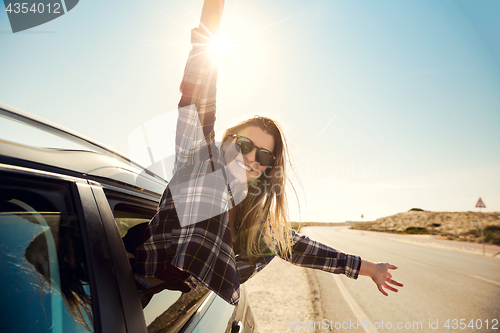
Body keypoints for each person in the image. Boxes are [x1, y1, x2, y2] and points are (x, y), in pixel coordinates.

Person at [133, 0, 403, 305]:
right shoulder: (199, 166)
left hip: (179, 307)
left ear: (267, 168)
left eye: (263, 156)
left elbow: (299, 248)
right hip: (132, 299)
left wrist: (370, 269)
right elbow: (198, 91)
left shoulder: (257, 224)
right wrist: (214, 10)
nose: (250, 158)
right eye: (245, 146)